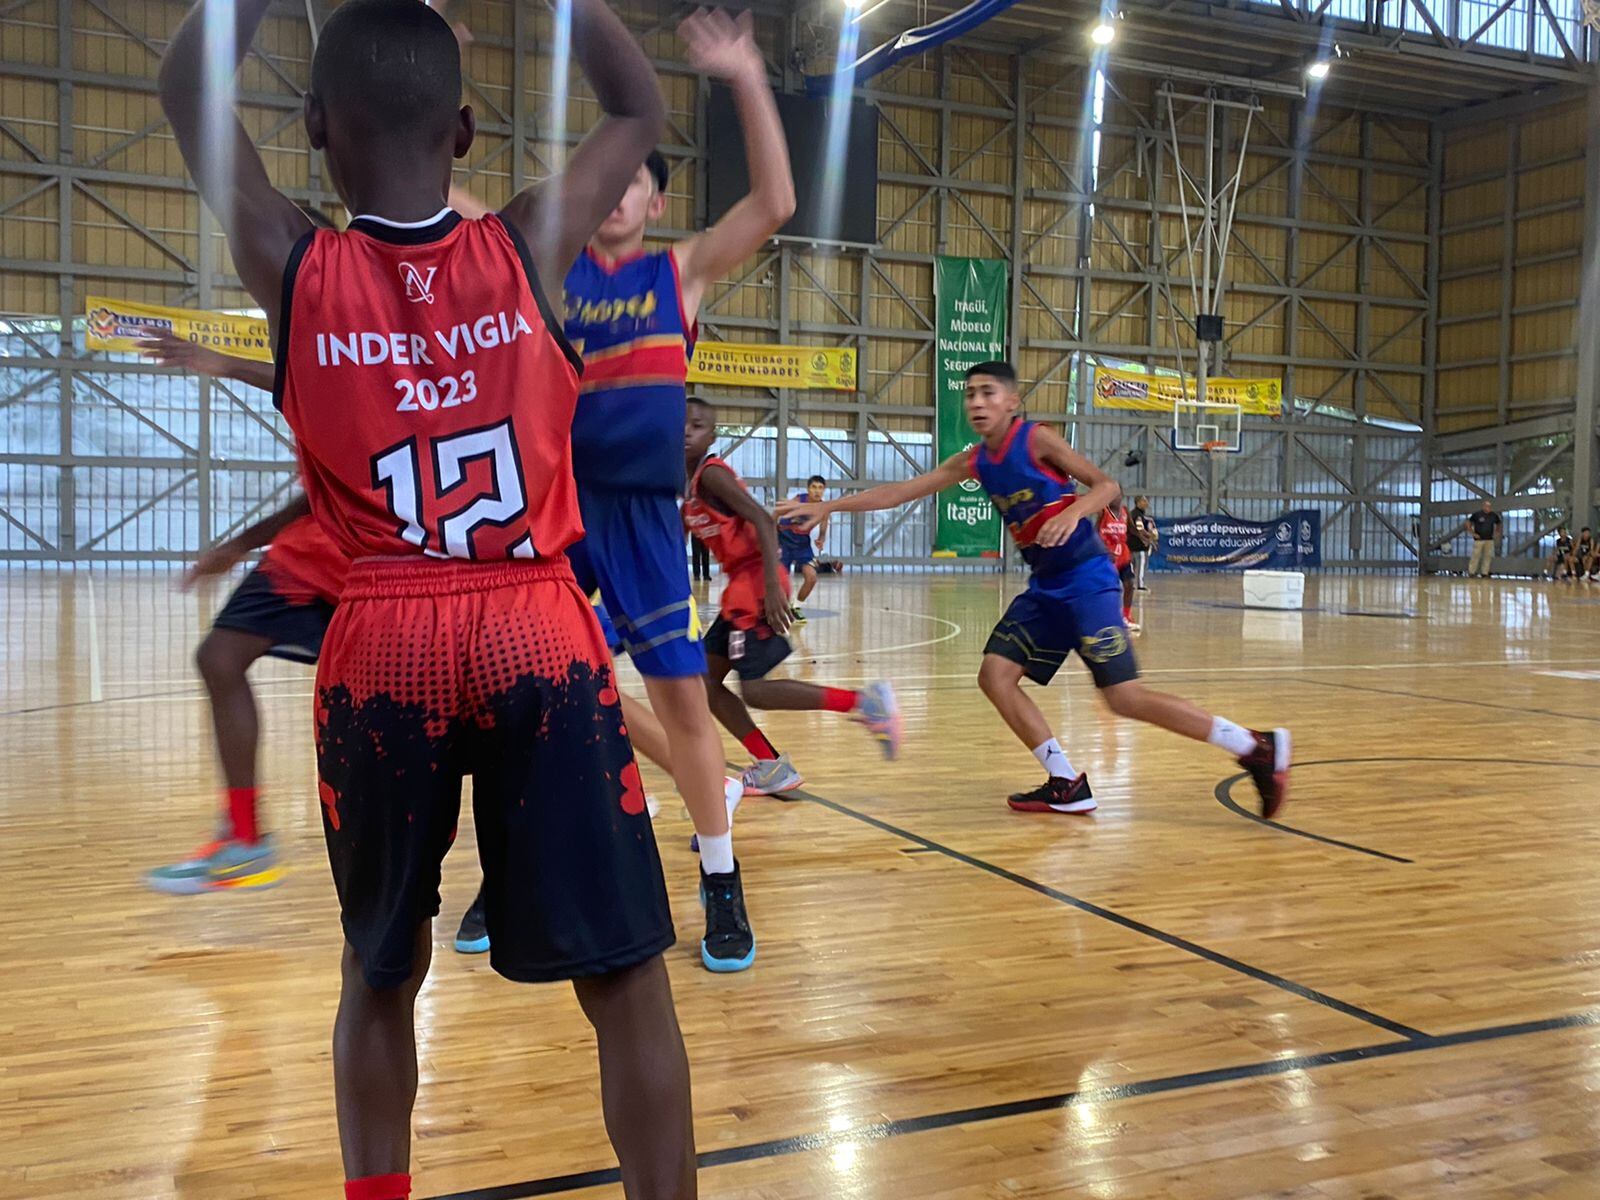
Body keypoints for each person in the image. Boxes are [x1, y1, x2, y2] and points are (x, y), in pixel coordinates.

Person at [159, 3, 696, 1198]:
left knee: (380, 972)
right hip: (534, 625)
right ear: (463, 132)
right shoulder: (528, 240)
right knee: (625, 979)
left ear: (313, 128)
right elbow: (639, 109)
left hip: (382, 643)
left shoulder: (292, 262)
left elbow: (187, 85)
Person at [779, 362, 1290, 820]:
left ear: (1011, 401)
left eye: (987, 393)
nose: (976, 402)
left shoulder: (1037, 439)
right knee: (995, 676)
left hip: (1086, 579)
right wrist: (830, 507)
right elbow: (900, 491)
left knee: (1124, 698)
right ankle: (1066, 782)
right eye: (970, 394)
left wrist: (1072, 513)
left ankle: (1255, 746)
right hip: (1046, 587)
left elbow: (1107, 487)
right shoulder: (974, 461)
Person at [555, 6, 795, 972]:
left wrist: (745, 75)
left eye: (634, 180)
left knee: (686, 708)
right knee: (536, 698)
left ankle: (720, 876)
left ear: (655, 203)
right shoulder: (545, 269)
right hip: (557, 514)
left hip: (643, 522)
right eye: (602, 177)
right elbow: (439, 194)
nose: (615, 191)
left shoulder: (680, 273)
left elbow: (774, 201)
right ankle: (517, 867)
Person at [138, 334, 347, 894]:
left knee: (407, 709)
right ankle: (245, 835)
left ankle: (250, 838)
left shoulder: (357, 366)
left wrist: (226, 362)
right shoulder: (324, 375)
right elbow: (318, 491)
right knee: (219, 657)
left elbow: (311, 380)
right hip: (318, 552)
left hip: (357, 557)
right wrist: (239, 544)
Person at [683, 399, 900, 803]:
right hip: (739, 588)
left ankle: (864, 702)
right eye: (681, 423)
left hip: (756, 585)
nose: (685, 431)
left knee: (755, 691)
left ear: (711, 436)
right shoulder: (687, 485)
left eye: (696, 426)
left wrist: (771, 584)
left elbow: (762, 519)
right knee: (706, 683)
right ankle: (772, 766)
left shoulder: (711, 475)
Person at [777, 474, 829, 621]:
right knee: (781, 580)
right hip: (784, 541)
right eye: (814, 487)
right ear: (808, 489)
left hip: (802, 544)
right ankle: (778, 608)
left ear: (824, 490)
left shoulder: (824, 508)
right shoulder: (799, 500)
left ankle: (796, 607)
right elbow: (780, 514)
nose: (817, 491)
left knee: (811, 577)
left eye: (820, 488)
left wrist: (821, 538)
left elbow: (824, 525)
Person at [1097, 497, 1138, 634]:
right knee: (1109, 588)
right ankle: (1104, 616)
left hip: (1123, 555)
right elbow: (1096, 532)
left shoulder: (1125, 512)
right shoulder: (1103, 511)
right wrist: (1103, 549)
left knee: (1129, 584)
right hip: (1108, 555)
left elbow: (1131, 529)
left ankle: (1126, 616)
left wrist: (1143, 536)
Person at [1464, 499, 1501, 577]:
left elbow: (1499, 523)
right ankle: (1471, 572)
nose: (1488, 508)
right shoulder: (1477, 514)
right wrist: (1472, 533)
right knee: (1475, 556)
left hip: (1489, 539)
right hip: (1479, 539)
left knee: (1487, 557)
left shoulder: (1493, 515)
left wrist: (1497, 532)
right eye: (1487, 506)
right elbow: (1468, 523)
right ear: (1483, 506)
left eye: (1489, 506)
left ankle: (1485, 572)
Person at [1129, 495, 1157, 590]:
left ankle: (1131, 584)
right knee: (1141, 565)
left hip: (1131, 545)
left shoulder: (1133, 514)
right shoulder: (1137, 515)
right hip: (1139, 545)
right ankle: (1140, 585)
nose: (1146, 503)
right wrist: (1150, 537)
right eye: (1144, 501)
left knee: (1132, 566)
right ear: (1138, 503)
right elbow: (1140, 529)